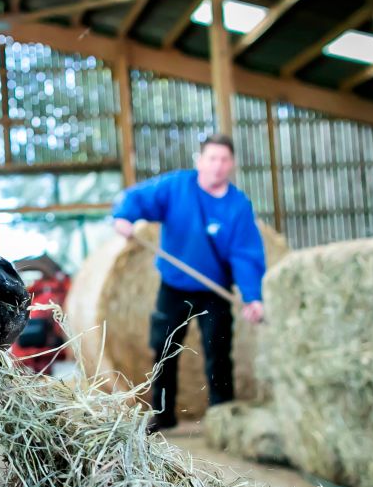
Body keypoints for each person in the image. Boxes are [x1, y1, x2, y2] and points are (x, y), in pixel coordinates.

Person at [111, 134, 266, 432]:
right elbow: (136, 198)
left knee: (219, 353)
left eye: (224, 160)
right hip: (174, 286)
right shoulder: (177, 187)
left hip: (214, 291)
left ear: (231, 164)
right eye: (212, 159)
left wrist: (252, 296)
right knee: (165, 349)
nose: (217, 166)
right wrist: (123, 217)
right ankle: (164, 414)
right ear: (200, 161)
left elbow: (246, 254)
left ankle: (223, 417)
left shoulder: (238, 206)